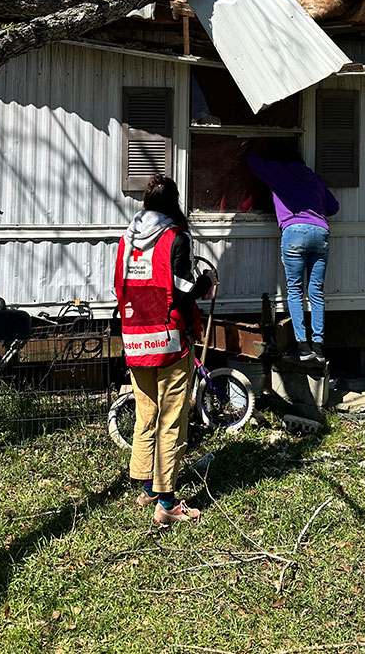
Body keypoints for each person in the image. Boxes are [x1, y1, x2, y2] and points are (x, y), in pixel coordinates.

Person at [114, 174, 215, 526]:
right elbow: (184, 288)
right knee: (172, 419)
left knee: (146, 412)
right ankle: (168, 503)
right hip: (169, 340)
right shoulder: (176, 237)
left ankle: (147, 486)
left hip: (134, 336)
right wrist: (207, 282)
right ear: (174, 202)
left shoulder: (127, 240)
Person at [247, 147, 339, 363]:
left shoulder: (278, 172)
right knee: (316, 291)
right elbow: (333, 206)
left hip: (294, 232)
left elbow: (251, 160)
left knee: (295, 290)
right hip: (320, 231)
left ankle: (303, 347)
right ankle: (318, 346)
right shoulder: (314, 179)